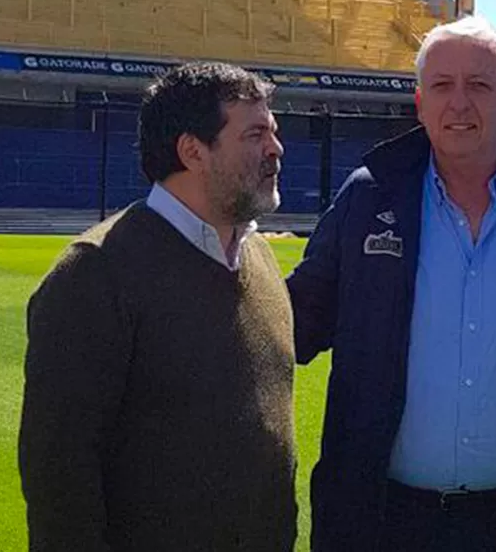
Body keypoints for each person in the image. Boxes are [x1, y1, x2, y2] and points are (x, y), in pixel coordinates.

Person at [287, 16, 496, 552]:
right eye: (442, 86)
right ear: (420, 104)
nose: (459, 103)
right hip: (384, 519)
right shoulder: (369, 198)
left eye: (480, 86)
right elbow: (295, 322)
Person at [18, 61, 296, 552]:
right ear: (193, 151)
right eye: (254, 135)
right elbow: (58, 472)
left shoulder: (262, 259)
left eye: (272, 131)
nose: (276, 149)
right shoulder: (95, 273)